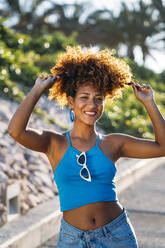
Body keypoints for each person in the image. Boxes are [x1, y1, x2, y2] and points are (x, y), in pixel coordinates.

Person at [8, 46, 165, 248]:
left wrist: (149, 102)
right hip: (72, 239)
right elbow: (16, 131)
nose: (92, 105)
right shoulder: (54, 143)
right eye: (84, 97)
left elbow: (162, 147)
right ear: (71, 102)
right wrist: (37, 90)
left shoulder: (114, 143)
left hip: (116, 236)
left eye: (98, 99)